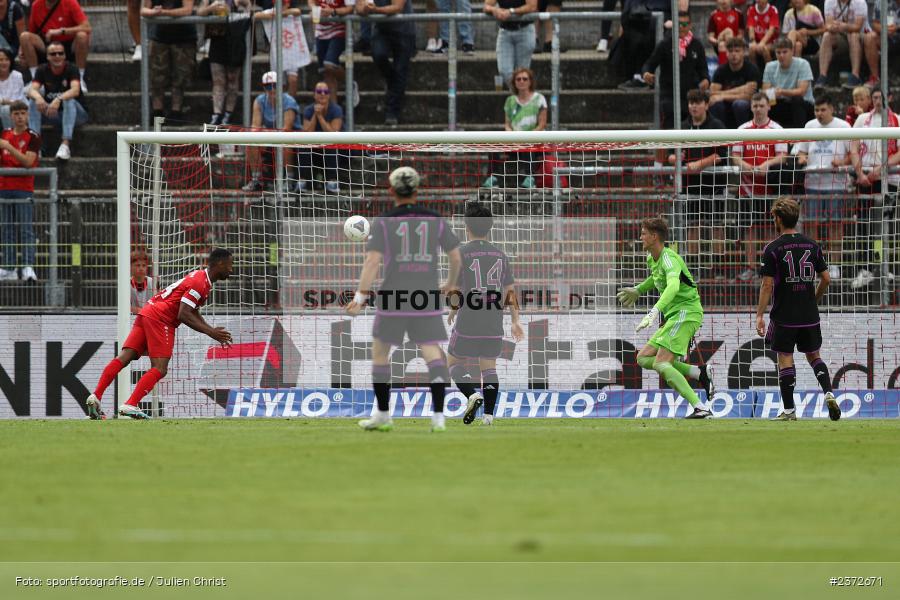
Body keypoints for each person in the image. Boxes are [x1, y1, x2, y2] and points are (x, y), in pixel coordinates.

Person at [346, 167, 462, 433]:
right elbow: (456, 256)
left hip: (393, 296)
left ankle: (384, 414)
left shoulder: (384, 222)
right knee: (432, 352)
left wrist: (361, 296)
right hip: (425, 296)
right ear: (418, 190)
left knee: (380, 354)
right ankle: (438, 418)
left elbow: (372, 261)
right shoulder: (435, 220)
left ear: (391, 191)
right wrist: (451, 284)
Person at [85, 248, 234, 420]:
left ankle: (95, 396)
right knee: (160, 367)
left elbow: (193, 310)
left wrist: (211, 330)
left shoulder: (200, 278)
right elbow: (183, 313)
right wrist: (211, 332)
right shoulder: (200, 283)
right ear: (220, 263)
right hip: (161, 319)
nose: (231, 269)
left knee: (125, 357)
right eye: (230, 265)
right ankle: (131, 404)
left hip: (148, 312)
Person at [616, 217, 714, 419]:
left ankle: (700, 407)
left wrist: (654, 311)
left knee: (662, 363)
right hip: (674, 315)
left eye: (643, 233)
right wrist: (638, 289)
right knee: (643, 358)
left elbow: (673, 286)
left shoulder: (670, 258)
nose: (640, 236)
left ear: (654, 236)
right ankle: (699, 373)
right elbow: (656, 278)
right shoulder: (652, 258)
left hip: (686, 312)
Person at [755, 197, 840, 421]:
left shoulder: (772, 249)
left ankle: (790, 411)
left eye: (774, 216)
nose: (773, 220)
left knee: (785, 357)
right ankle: (829, 392)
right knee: (814, 356)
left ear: (780, 219)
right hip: (809, 313)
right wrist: (814, 298)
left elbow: (766, 285)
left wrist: (760, 315)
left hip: (785, 315)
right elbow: (826, 278)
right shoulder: (812, 245)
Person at [447, 203, 523, 426]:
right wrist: (515, 320)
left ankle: (472, 394)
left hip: (469, 317)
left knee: (453, 361)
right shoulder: (501, 256)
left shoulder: (460, 253)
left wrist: (453, 307)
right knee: (489, 366)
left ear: (466, 227)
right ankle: (489, 417)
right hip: (493, 318)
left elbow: (454, 288)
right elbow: (510, 291)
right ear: (489, 228)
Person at [668, 89, 728, 274]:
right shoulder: (682, 126)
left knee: (716, 225)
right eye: (691, 102)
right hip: (690, 185)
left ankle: (718, 268)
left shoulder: (717, 125)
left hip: (714, 184)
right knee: (693, 224)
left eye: (697, 102)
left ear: (706, 104)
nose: (693, 106)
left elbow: (722, 155)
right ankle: (693, 267)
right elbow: (670, 155)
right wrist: (675, 159)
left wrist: (700, 164)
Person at [732, 92, 788, 281]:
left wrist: (767, 165)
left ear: (768, 106)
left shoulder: (777, 129)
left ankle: (770, 267)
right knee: (750, 230)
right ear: (751, 107)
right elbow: (735, 156)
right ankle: (751, 267)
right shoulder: (743, 129)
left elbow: (783, 156)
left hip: (771, 189)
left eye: (761, 105)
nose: (758, 109)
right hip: (747, 189)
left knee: (771, 229)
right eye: (755, 106)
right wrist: (749, 168)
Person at [848, 88, 900, 289]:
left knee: (885, 225)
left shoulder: (896, 119)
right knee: (863, 224)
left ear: (890, 98)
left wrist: (881, 169)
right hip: (865, 178)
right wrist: (860, 173)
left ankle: (883, 265)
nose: (878, 101)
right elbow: (854, 146)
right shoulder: (862, 120)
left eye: (882, 97)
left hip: (890, 178)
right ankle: (866, 267)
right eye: (875, 97)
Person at [793, 92, 849, 277]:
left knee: (835, 225)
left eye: (823, 109)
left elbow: (853, 153)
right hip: (813, 183)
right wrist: (803, 158)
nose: (819, 113)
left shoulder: (843, 126)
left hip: (836, 184)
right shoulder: (810, 125)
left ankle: (834, 264)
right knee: (810, 225)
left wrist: (840, 163)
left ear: (832, 108)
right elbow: (800, 151)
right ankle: (812, 261)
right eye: (817, 109)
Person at [642, 11, 709, 130]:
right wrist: (647, 74)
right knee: (669, 114)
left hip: (691, 94)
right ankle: (671, 148)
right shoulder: (665, 44)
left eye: (684, 24)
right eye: (678, 24)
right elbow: (649, 64)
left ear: (690, 25)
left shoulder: (697, 45)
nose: (681, 28)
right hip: (669, 94)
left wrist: (705, 80)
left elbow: (703, 69)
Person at [483, 67, 547, 189]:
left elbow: (542, 124)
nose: (521, 81)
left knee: (528, 142)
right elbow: (507, 123)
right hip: (513, 140)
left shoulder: (539, 99)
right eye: (518, 79)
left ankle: (530, 177)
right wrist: (510, 133)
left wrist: (527, 136)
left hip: (533, 141)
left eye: (525, 79)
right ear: (514, 82)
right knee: (493, 143)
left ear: (530, 81)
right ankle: (493, 177)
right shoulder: (510, 101)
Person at [356, 0, 416, 126]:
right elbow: (359, 8)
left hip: (404, 30)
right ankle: (394, 84)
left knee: (401, 70)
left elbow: (397, 7)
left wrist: (375, 10)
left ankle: (392, 112)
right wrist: (365, 9)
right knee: (379, 55)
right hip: (382, 29)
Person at [26, 40, 88, 160]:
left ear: (65, 55)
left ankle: (65, 145)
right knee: (33, 101)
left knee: (68, 99)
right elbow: (31, 90)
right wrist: (39, 97)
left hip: (77, 114)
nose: (57, 56)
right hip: (54, 113)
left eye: (60, 53)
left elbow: (75, 90)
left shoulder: (72, 68)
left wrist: (58, 99)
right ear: (48, 57)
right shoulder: (42, 69)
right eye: (53, 54)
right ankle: (35, 146)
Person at [0, 100, 39, 282]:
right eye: (16, 114)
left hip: (24, 189)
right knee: (6, 229)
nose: (20, 117)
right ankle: (8, 267)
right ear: (11, 116)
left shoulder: (33, 136)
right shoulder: (4, 134)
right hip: (4, 188)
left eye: (23, 113)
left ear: (28, 115)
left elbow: (28, 162)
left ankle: (28, 267)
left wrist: (8, 147)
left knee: (26, 230)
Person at [242, 71, 300, 192]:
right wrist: (260, 137)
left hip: (292, 139)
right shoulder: (259, 100)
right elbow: (255, 127)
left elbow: (286, 128)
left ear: (281, 86)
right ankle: (257, 179)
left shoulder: (289, 101)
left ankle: (289, 180)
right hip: (272, 136)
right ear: (264, 87)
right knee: (251, 142)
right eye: (268, 86)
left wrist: (264, 133)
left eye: (275, 85)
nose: (272, 89)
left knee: (286, 143)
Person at [198, 0, 252, 126]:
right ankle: (216, 114)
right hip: (217, 41)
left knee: (232, 79)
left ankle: (228, 113)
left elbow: (249, 10)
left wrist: (241, 5)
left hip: (235, 41)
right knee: (218, 80)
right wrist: (211, 7)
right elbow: (199, 12)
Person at [20, 0, 92, 93]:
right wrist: (22, 49)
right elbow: (32, 31)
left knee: (82, 36)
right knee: (24, 36)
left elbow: (87, 27)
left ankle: (79, 78)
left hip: (69, 43)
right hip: (47, 43)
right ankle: (36, 79)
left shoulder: (70, 2)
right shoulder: (36, 5)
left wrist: (61, 31)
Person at [143, 0, 196, 121]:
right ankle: (157, 111)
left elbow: (187, 10)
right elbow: (143, 9)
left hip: (184, 37)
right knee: (157, 76)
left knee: (181, 76)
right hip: (159, 37)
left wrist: (164, 12)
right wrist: (154, 12)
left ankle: (176, 110)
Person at [297, 81, 343, 193]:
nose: (323, 94)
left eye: (326, 91)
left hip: (334, 150)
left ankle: (332, 181)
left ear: (329, 94)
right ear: (314, 95)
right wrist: (315, 115)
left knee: (331, 144)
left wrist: (320, 117)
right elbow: (307, 134)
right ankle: (303, 181)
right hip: (314, 149)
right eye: (319, 91)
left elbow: (333, 134)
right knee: (303, 146)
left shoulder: (336, 109)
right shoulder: (308, 110)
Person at [762, 37, 815, 129]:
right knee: (764, 101)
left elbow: (802, 91)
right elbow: (765, 90)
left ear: (792, 51)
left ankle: (799, 137)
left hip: (804, 104)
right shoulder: (769, 66)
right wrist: (772, 93)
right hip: (781, 102)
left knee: (796, 100)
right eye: (778, 52)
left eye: (784, 52)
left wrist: (782, 92)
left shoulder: (803, 64)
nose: (781, 55)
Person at [484, 0, 537, 89]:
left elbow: (532, 6)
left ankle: (522, 98)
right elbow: (486, 6)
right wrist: (494, 9)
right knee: (504, 71)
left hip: (524, 30)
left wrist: (511, 11)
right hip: (505, 31)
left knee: (521, 73)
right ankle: (519, 96)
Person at [709, 37, 761, 128]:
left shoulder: (752, 69)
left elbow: (749, 96)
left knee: (740, 104)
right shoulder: (720, 70)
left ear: (743, 52)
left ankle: (743, 134)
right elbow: (712, 94)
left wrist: (722, 95)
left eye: (737, 51)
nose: (734, 54)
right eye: (730, 51)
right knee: (715, 103)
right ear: (726, 53)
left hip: (745, 108)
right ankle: (719, 135)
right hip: (725, 108)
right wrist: (741, 89)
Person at [309, 0, 355, 99]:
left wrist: (333, 11)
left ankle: (350, 83)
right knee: (326, 73)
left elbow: (350, 8)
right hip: (321, 30)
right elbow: (311, 2)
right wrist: (314, 9)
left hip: (338, 29)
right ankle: (334, 110)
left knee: (329, 64)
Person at [817, 0, 867, 89]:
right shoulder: (829, 2)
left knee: (853, 35)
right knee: (826, 35)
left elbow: (858, 26)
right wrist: (833, 27)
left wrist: (845, 26)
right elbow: (828, 24)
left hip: (860, 36)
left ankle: (855, 75)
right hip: (840, 35)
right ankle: (822, 76)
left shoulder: (860, 2)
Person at [863, 0, 900, 88]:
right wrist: (885, 29)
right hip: (887, 36)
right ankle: (875, 78)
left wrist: (897, 27)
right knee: (869, 37)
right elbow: (875, 23)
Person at [707, 0, 744, 65]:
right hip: (719, 43)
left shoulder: (738, 14)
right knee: (722, 45)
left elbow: (741, 35)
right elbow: (710, 37)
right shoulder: (713, 15)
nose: (724, 1)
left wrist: (732, 41)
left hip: (735, 42)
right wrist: (718, 42)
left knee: (728, 32)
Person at [747, 0, 779, 68]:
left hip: (771, 42)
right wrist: (753, 41)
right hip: (757, 41)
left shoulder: (773, 9)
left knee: (764, 49)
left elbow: (771, 30)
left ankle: (770, 73)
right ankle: (754, 73)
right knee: (751, 48)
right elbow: (751, 28)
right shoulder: (751, 9)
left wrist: (762, 42)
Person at [0, 48, 25, 130]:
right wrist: (5, 101)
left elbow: (17, 100)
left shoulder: (17, 75)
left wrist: (4, 101)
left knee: (6, 109)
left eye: (7, 59)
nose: (4, 62)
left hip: (17, 108)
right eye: (1, 60)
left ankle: (10, 137)